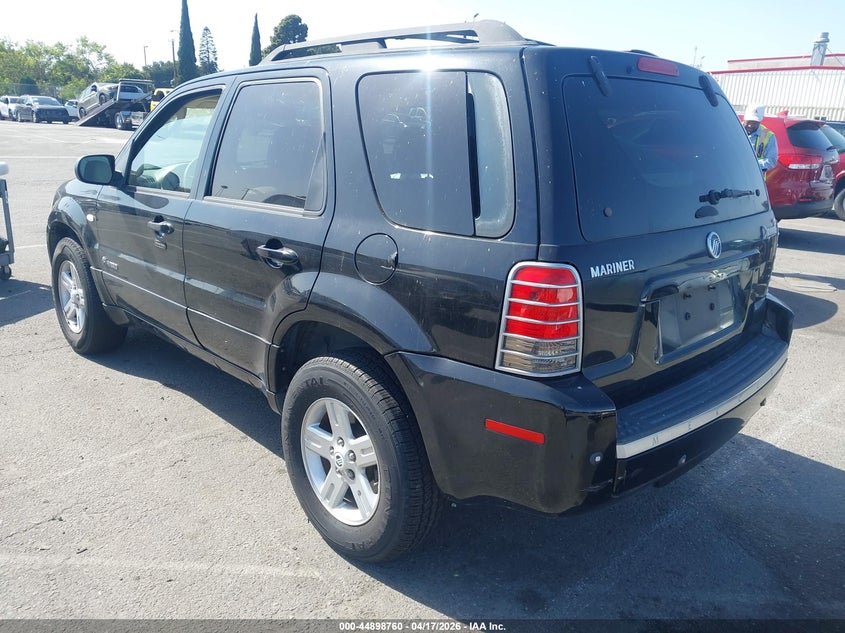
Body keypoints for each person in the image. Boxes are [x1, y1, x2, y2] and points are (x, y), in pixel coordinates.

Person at [743, 104, 778, 175]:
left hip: (755, 179)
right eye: (749, 121)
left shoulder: (767, 135)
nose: (750, 125)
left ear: (760, 121)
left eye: (754, 123)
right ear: (744, 118)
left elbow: (771, 160)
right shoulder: (735, 130)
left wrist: (752, 166)